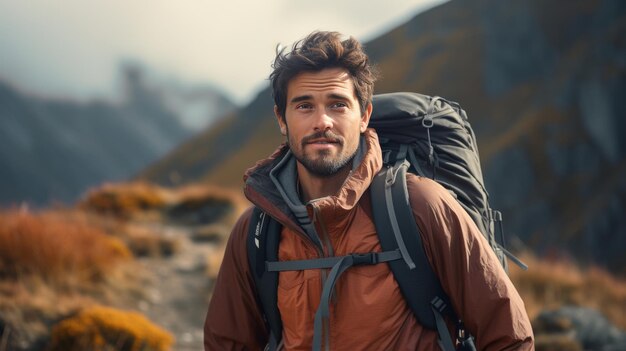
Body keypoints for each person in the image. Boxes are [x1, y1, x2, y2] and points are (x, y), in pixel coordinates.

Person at [204, 31, 534, 350]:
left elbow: (508, 335)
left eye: (337, 105)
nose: (323, 121)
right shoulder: (258, 231)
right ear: (282, 119)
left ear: (364, 116)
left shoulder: (420, 205)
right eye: (304, 106)